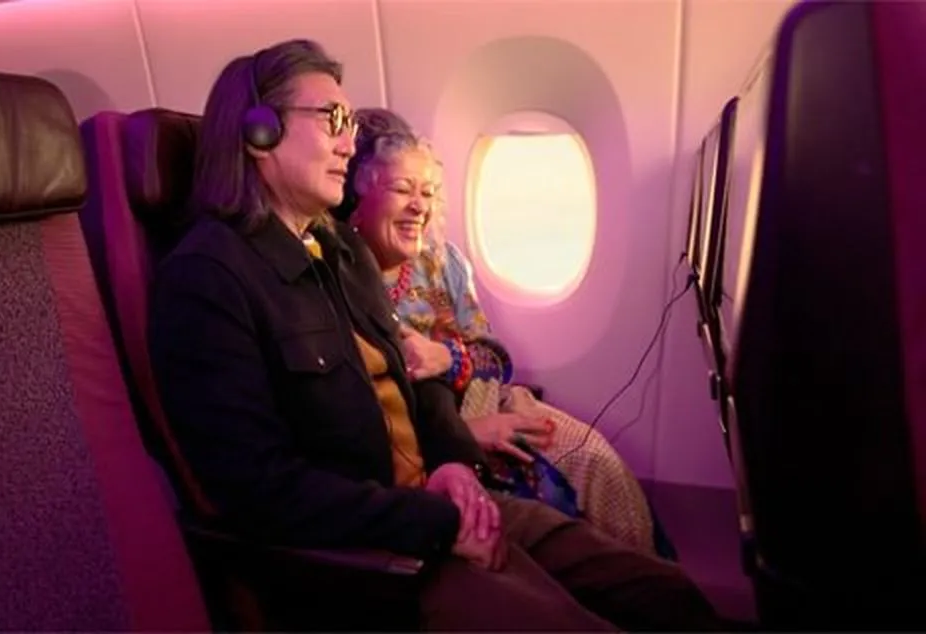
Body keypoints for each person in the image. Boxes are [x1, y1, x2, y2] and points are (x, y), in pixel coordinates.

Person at [147, 38, 720, 630]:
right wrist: (439, 525)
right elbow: (258, 490)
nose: (349, 141)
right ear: (258, 134)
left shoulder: (340, 249)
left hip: (435, 505)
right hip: (373, 555)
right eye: (333, 119)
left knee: (662, 592)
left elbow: (415, 380)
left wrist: (453, 465)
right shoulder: (208, 280)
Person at [333, 107, 672, 558]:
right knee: (556, 501)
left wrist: (447, 358)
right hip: (435, 439)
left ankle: (646, 594)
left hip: (489, 399)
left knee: (597, 462)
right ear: (358, 196)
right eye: (402, 189)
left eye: (428, 192)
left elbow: (496, 357)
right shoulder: (336, 280)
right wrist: (468, 430)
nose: (420, 205)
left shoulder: (443, 262)